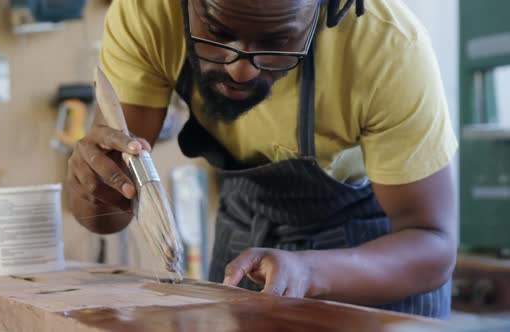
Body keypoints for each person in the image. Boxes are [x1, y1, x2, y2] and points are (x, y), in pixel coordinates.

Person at [66, 0, 458, 318]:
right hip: (247, 241)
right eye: (218, 34)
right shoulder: (149, 12)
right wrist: (89, 186)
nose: (238, 69)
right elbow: (109, 215)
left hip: (372, 260)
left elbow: (433, 245)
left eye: (277, 42)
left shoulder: (387, 49)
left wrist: (310, 270)